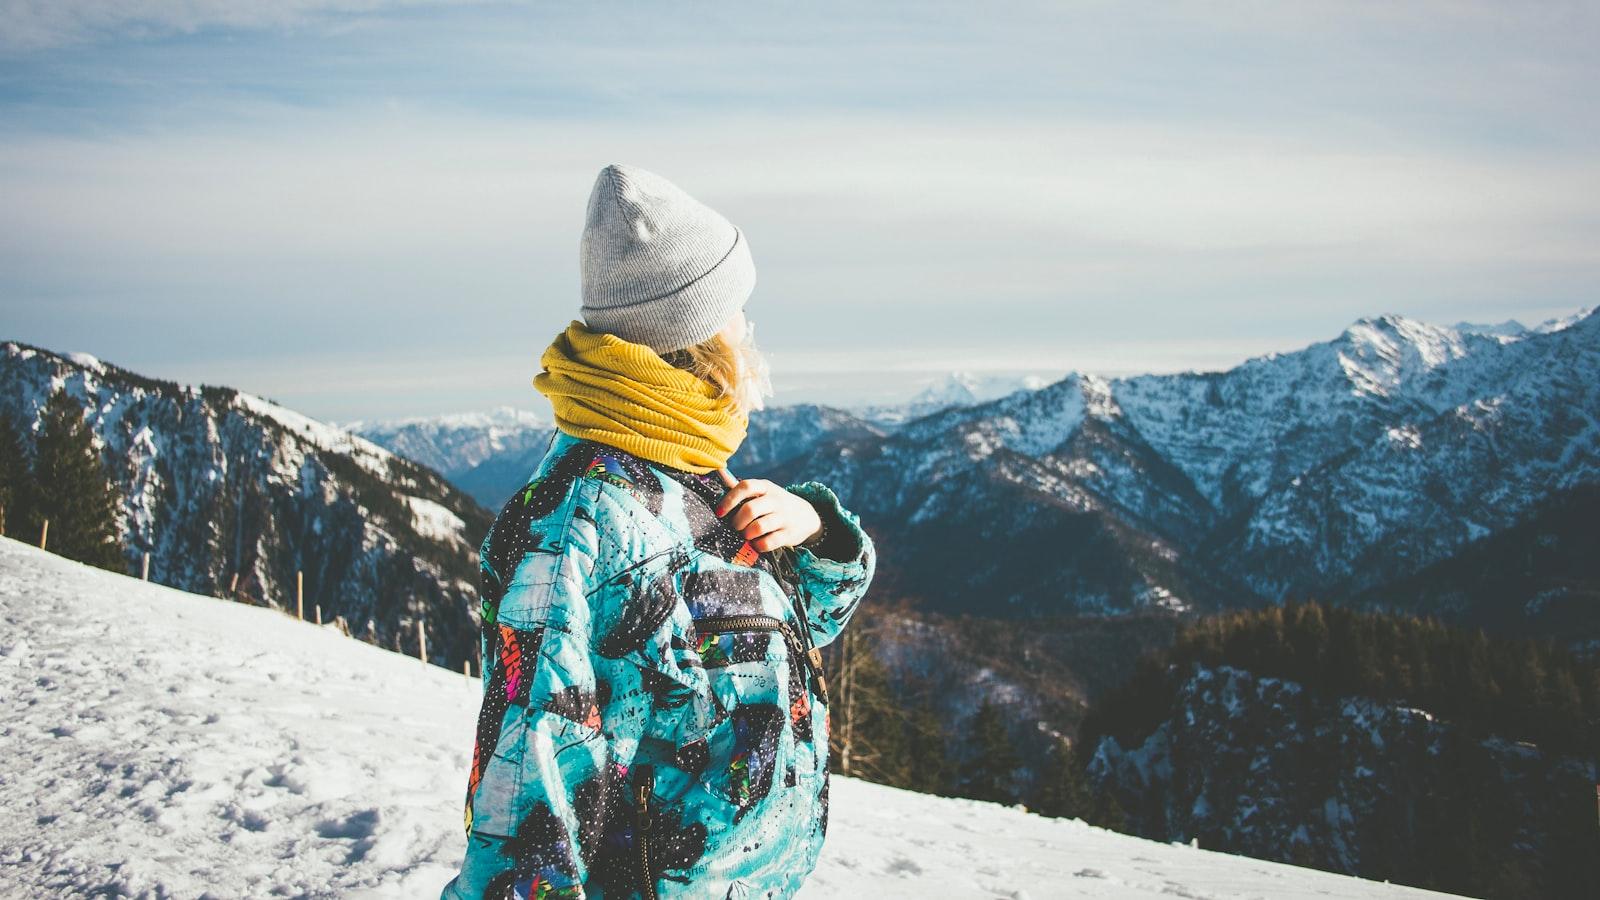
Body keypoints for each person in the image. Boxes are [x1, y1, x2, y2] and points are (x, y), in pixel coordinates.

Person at [440, 163, 877, 899]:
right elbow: (528, 791)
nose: (750, 333)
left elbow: (778, 645)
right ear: (700, 336)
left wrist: (817, 536)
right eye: (738, 313)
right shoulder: (576, 523)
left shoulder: (688, 474)